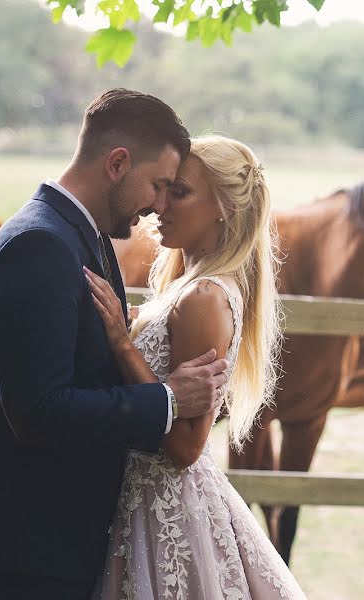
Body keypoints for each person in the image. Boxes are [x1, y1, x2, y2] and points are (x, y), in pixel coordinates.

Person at [0, 89, 230, 599]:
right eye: (158, 185)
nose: (158, 206)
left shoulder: (82, 237)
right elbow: (39, 411)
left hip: (53, 544)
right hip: (20, 553)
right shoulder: (39, 245)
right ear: (118, 163)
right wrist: (167, 401)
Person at [86, 135, 306, 599]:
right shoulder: (186, 286)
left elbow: (186, 446)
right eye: (163, 188)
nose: (159, 205)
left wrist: (123, 346)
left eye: (179, 193)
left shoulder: (204, 298)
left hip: (166, 512)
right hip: (139, 503)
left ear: (224, 208)